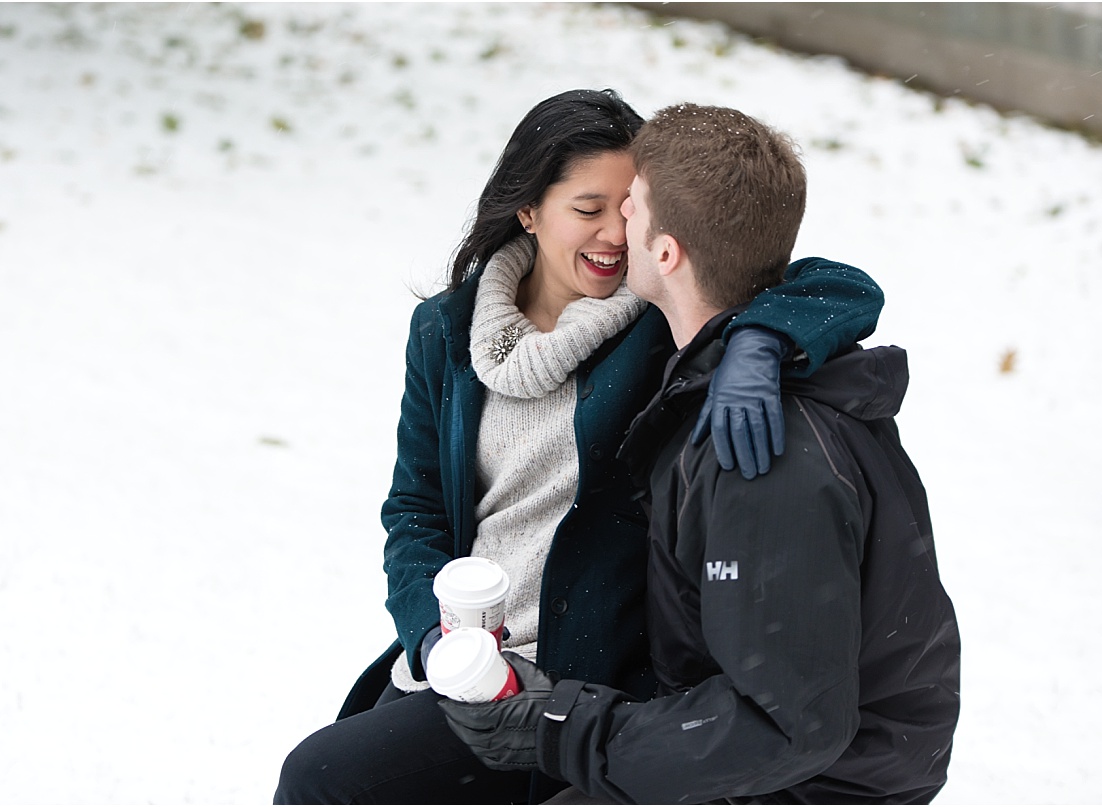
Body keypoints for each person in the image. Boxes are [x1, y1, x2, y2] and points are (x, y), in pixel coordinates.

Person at [275, 90, 886, 805]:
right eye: (586, 209)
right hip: (466, 665)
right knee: (329, 775)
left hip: (589, 676)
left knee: (324, 778)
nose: (610, 236)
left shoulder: (657, 320)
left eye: (624, 210)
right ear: (528, 209)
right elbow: (413, 510)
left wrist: (760, 336)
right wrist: (432, 638)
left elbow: (835, 286)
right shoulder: (445, 331)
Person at [439, 103, 961, 804]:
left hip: (817, 785)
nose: (614, 216)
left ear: (664, 252)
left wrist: (561, 729)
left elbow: (786, 726)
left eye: (632, 203)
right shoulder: (728, 365)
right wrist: (762, 333)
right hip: (761, 749)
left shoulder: (764, 458)